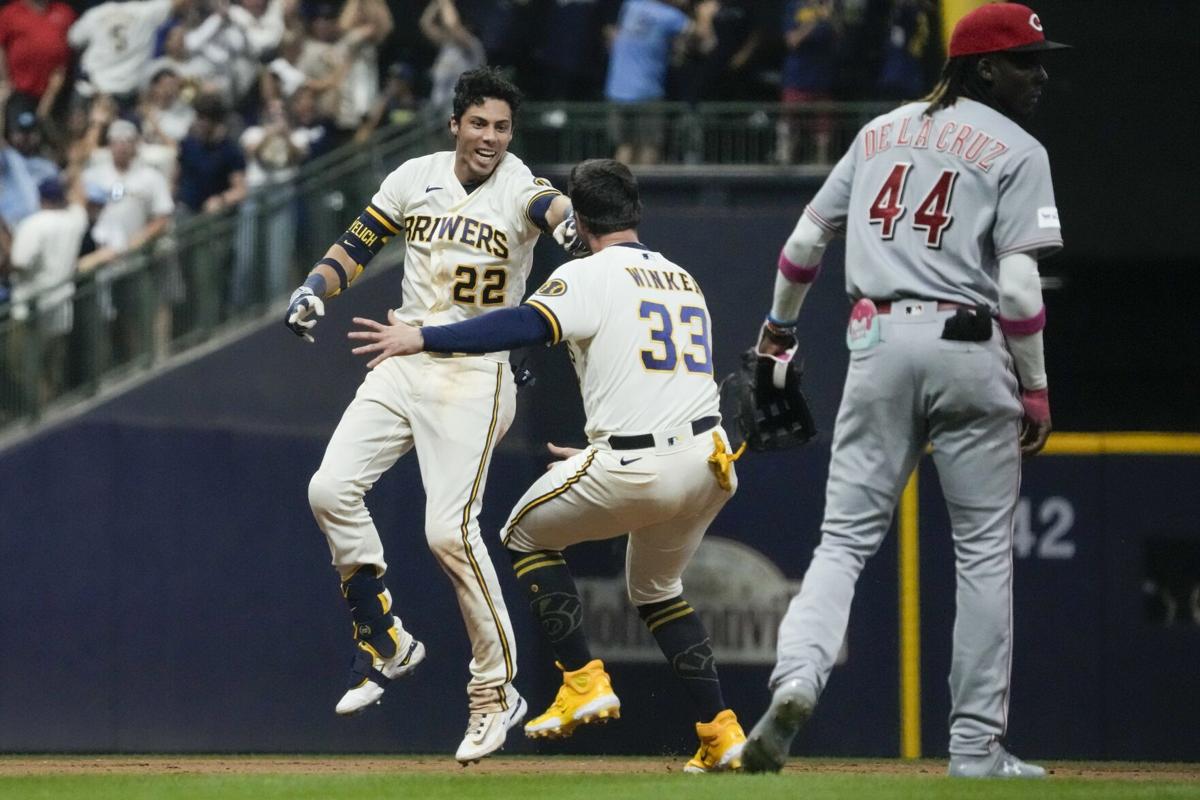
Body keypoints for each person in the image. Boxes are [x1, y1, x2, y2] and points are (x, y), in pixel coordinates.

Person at [741, 3, 1069, 779]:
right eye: (1026, 60)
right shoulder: (1020, 149)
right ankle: (974, 751)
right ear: (984, 67)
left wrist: (777, 333)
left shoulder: (878, 131)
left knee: (844, 542)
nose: (1040, 72)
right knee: (983, 553)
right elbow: (1020, 290)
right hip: (969, 345)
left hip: (876, 341)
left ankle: (796, 680)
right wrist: (1038, 390)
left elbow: (801, 244)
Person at [345, 157, 749, 773]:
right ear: (634, 211)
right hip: (709, 465)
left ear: (581, 222)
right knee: (657, 589)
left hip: (638, 465)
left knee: (521, 534)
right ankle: (720, 731)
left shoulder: (590, 274)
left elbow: (518, 325)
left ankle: (582, 680)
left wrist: (424, 336)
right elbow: (660, 383)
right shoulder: (681, 277)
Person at [283, 66, 575, 765]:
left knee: (448, 530)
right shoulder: (415, 176)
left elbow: (551, 209)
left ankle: (495, 689)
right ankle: (386, 638)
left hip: (475, 373)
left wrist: (570, 223)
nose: (490, 137)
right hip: (403, 354)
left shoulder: (519, 183)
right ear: (455, 124)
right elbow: (356, 244)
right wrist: (312, 287)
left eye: (502, 127)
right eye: (479, 123)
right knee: (329, 489)